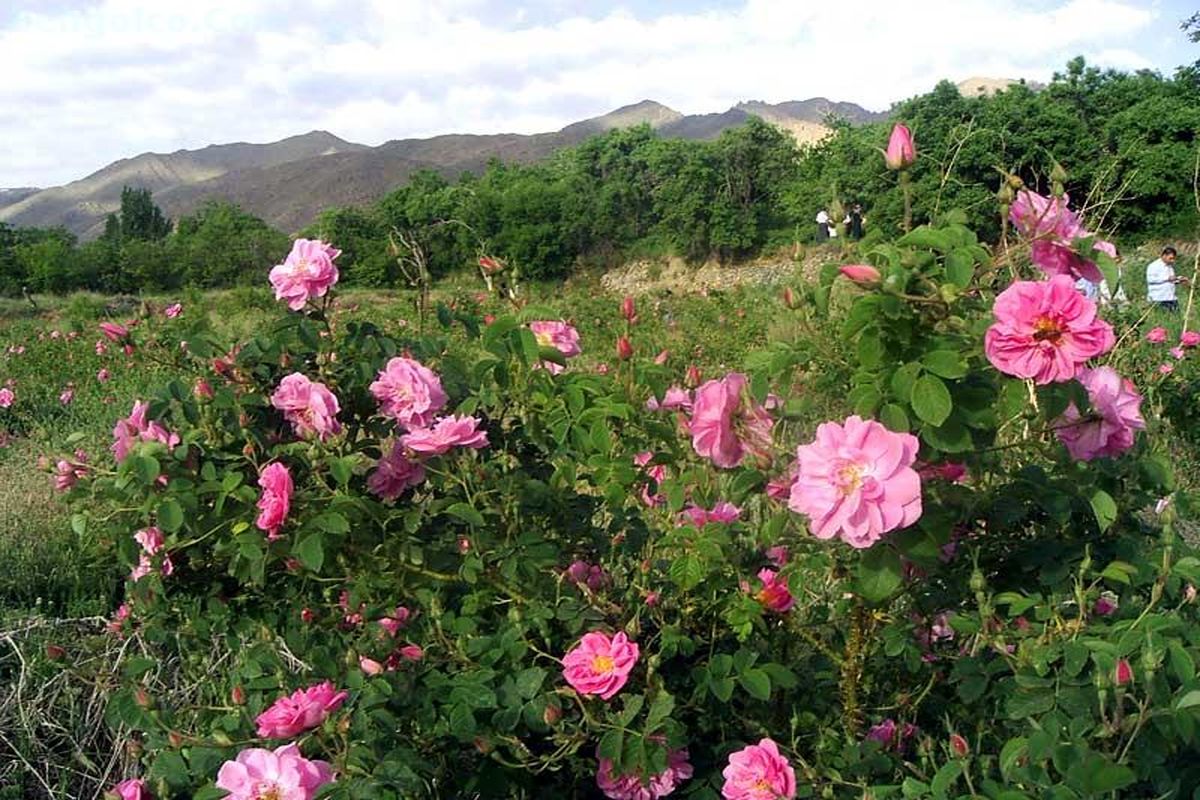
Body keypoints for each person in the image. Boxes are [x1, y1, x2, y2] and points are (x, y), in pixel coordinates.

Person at [1146, 246, 1184, 311]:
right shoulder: (1153, 266)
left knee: (1176, 318)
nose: (1172, 260)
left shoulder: (1170, 267)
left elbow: (1170, 281)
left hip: (1171, 298)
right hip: (1159, 298)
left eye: (1174, 258)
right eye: (1170, 258)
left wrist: (1179, 280)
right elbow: (1150, 280)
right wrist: (1167, 278)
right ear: (1164, 255)